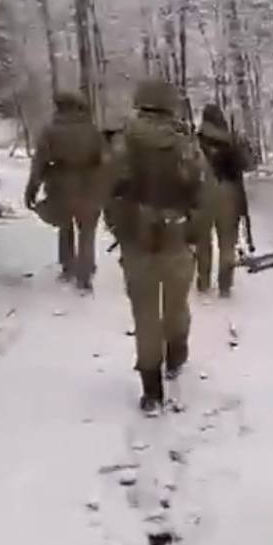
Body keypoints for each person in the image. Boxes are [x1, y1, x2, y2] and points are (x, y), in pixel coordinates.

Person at [104, 79, 206, 414]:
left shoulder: (122, 140)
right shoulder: (184, 142)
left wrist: (120, 225)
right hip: (176, 234)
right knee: (176, 304)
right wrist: (193, 228)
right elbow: (200, 188)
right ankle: (176, 354)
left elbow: (109, 188)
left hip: (136, 238)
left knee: (145, 313)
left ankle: (151, 391)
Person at [24, 91, 106, 292]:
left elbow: (39, 163)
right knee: (87, 230)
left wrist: (32, 189)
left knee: (65, 225)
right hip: (89, 186)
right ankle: (84, 274)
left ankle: (68, 266)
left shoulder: (50, 131)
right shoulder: (92, 131)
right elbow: (105, 160)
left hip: (60, 186)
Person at [194, 103, 254, 296]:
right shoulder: (232, 140)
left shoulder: (196, 140)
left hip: (203, 191)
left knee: (203, 240)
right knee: (227, 242)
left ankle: (203, 281)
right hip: (230, 193)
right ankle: (225, 285)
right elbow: (249, 165)